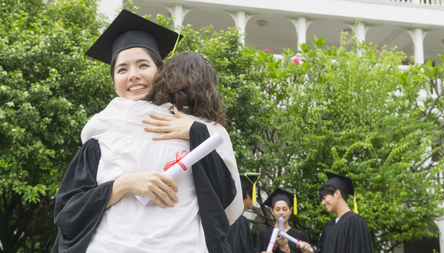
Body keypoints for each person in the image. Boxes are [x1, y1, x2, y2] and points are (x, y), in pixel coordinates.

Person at [52, 9, 242, 253]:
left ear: (160, 72)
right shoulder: (100, 136)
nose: (133, 75)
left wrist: (196, 133)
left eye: (143, 65)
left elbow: (227, 207)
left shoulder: (200, 128)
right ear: (114, 83)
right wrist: (123, 184)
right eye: (122, 69)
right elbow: (69, 212)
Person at [303, 171, 374, 253]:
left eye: (324, 198)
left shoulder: (355, 222)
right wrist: (310, 251)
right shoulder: (329, 226)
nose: (322, 203)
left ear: (337, 193)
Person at [256, 188, 311, 253]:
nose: (281, 213)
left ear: (290, 211)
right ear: (272, 211)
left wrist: (288, 251)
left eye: (285, 209)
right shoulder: (263, 234)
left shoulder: (300, 235)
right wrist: (275, 245)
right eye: (277, 209)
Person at [226, 172, 261, 253]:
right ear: (248, 195)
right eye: (255, 196)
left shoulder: (228, 217)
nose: (254, 201)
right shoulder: (241, 221)